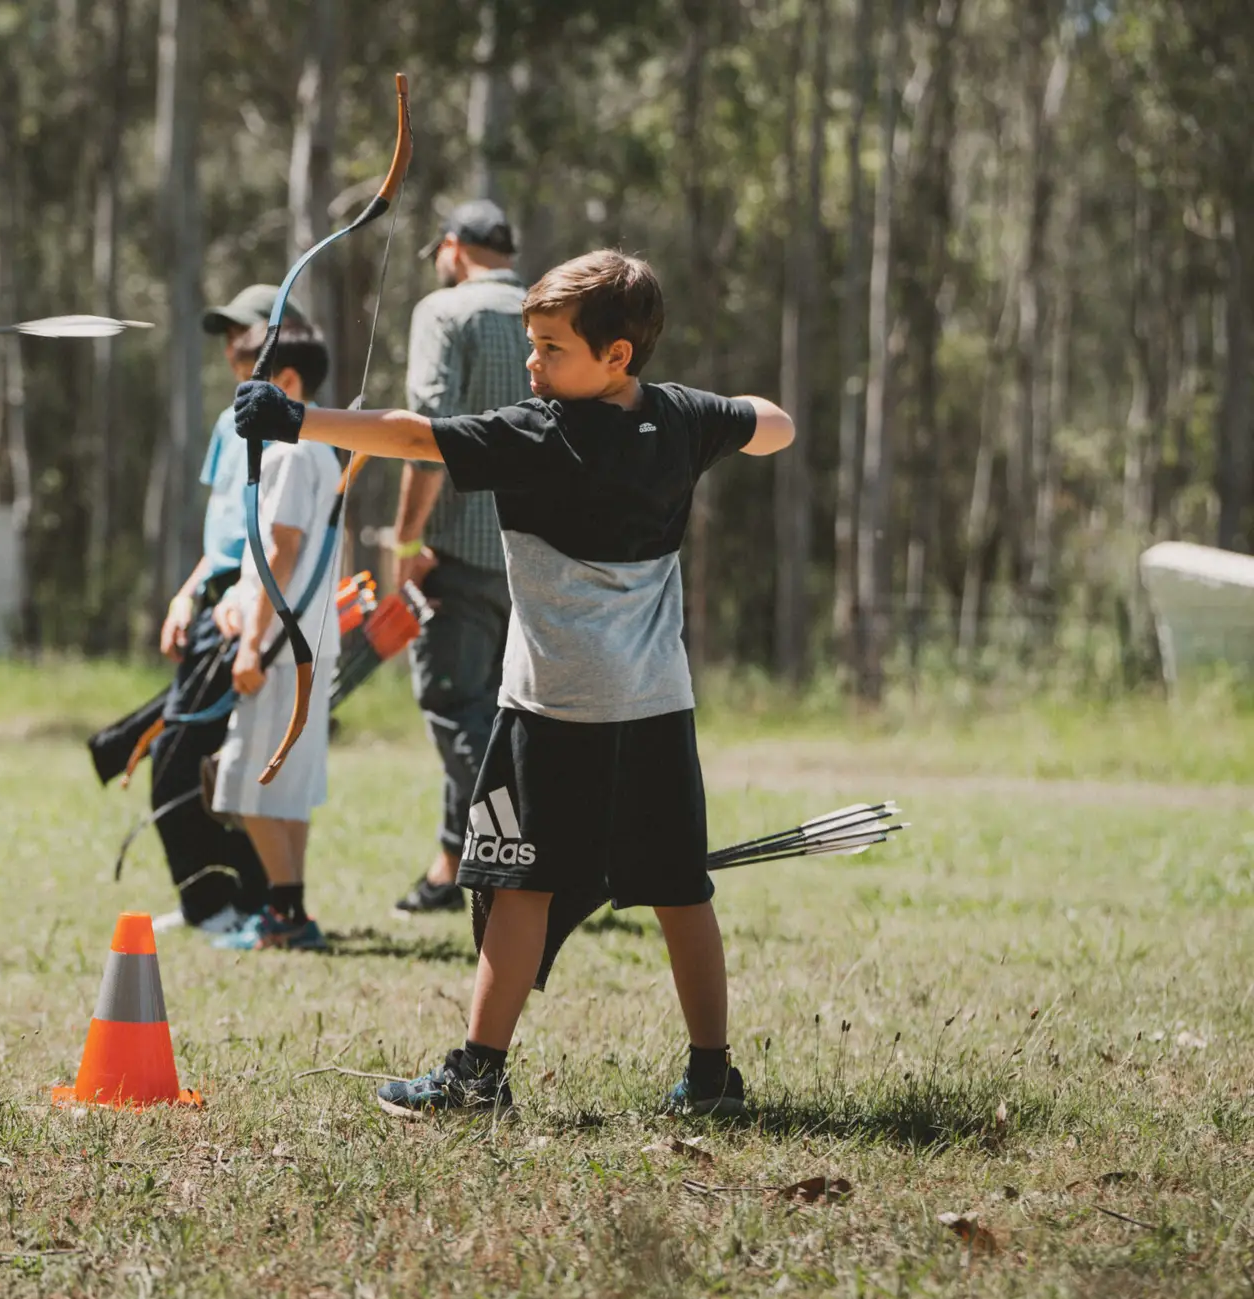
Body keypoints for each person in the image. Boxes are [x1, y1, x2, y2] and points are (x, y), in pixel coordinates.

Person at [231, 249, 796, 1113]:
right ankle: (713, 1075)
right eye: (533, 344)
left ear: (616, 355)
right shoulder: (681, 417)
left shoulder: (539, 434)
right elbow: (774, 422)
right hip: (656, 705)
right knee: (680, 889)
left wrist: (297, 419)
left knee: (515, 883)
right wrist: (725, 418)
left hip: (553, 711)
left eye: (552, 348)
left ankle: (478, 1075)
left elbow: (412, 436)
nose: (533, 363)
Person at [144, 285, 310, 936]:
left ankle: (229, 904)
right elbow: (222, 538)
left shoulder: (299, 432)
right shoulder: (226, 425)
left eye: (247, 342)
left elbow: (278, 541)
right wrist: (186, 594)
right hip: (216, 607)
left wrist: (249, 606)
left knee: (190, 762)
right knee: (206, 762)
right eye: (230, 344)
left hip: (250, 613)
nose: (233, 355)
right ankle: (225, 900)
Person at [391, 201, 530, 916]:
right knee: (500, 714)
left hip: (460, 552)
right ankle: (452, 868)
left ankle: (537, 848)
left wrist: (406, 542)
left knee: (454, 709)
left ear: (453, 247)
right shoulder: (546, 313)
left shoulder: (444, 312)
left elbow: (427, 437)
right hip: (539, 556)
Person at [208, 319, 340, 953]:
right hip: (307, 644)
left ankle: (285, 913)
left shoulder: (288, 452)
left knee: (249, 779)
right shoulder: (321, 448)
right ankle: (289, 909)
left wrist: (251, 644)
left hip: (281, 651)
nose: (241, 398)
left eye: (251, 383)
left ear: (286, 381)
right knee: (285, 784)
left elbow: (280, 552)